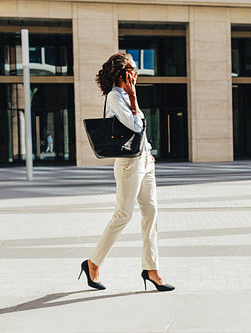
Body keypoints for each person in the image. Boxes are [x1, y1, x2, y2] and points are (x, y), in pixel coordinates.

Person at [78, 52, 174, 292]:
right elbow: (135, 124)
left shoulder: (127, 96)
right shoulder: (114, 96)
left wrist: (147, 151)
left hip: (144, 160)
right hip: (128, 163)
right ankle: (93, 263)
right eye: (133, 68)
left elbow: (140, 130)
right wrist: (132, 97)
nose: (137, 72)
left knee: (151, 213)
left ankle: (151, 268)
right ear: (123, 74)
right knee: (123, 215)